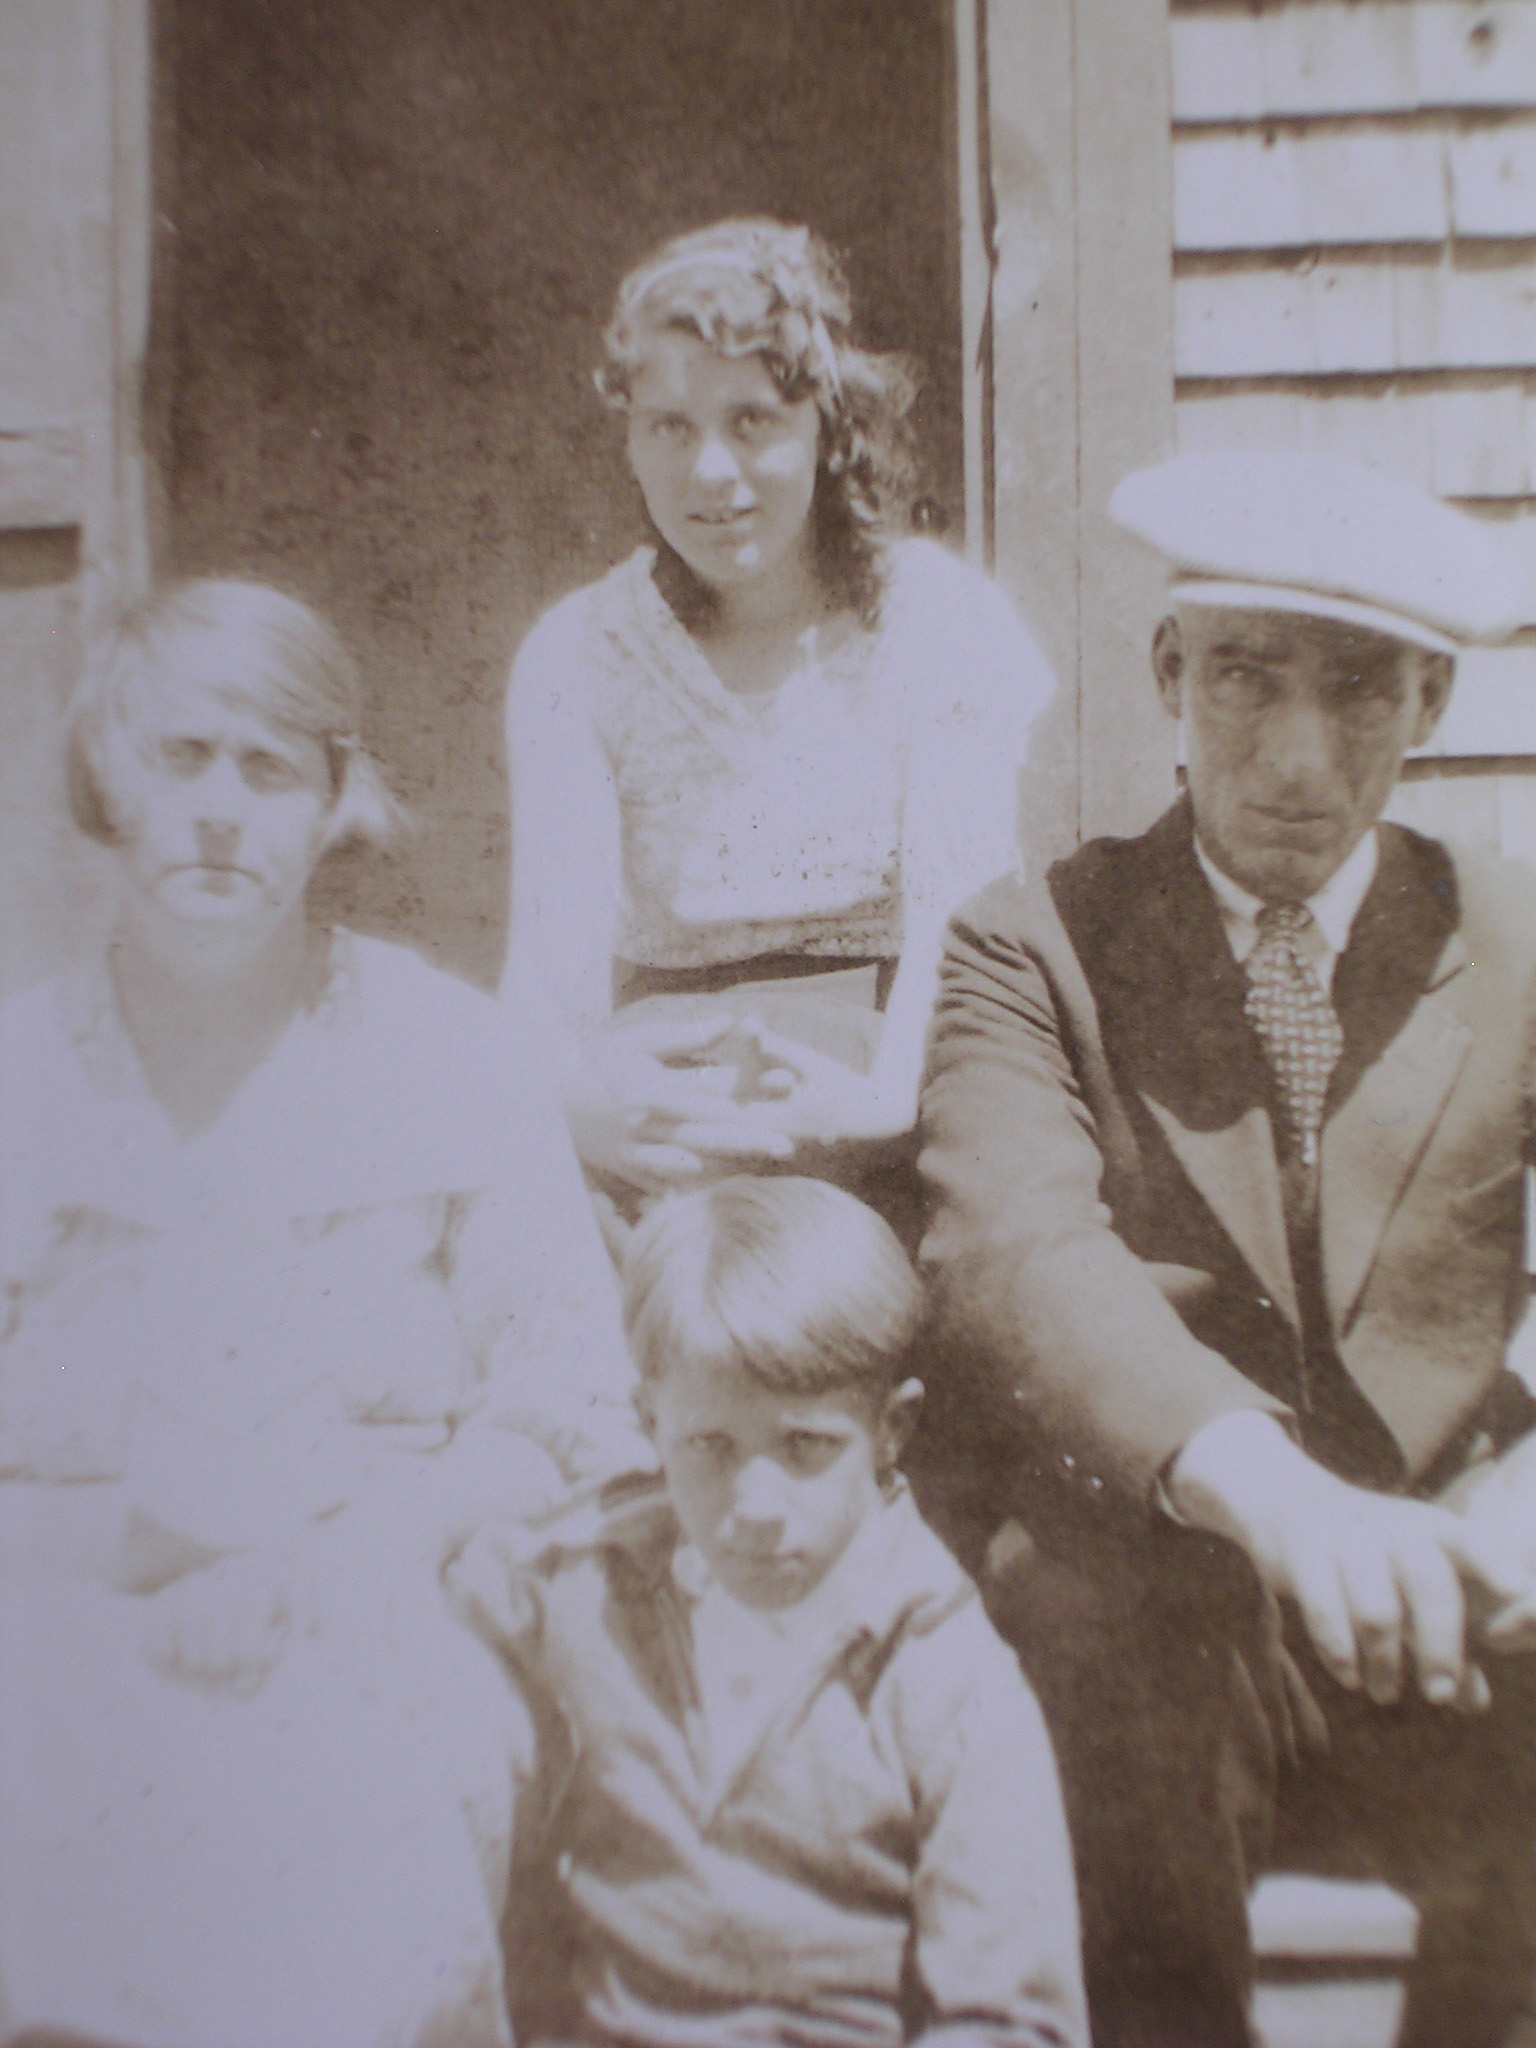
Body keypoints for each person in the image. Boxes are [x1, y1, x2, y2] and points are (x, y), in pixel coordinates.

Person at [914, 451, 1536, 2048]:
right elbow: (1019, 1256)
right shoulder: (1034, 939)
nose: (1299, 760)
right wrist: (1281, 1503)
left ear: (1435, 702)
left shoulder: (1518, 938)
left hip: (1461, 1584)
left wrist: (1527, 1500)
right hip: (1178, 1594)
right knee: (1103, 1618)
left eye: (1359, 692)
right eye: (1247, 680)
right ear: (1170, 675)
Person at [0, 580, 644, 2048]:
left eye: (271, 768)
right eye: (180, 760)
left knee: (341, 1801)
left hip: (379, 1599)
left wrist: (343, 1552)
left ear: (336, 800)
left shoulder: (452, 1056)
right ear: (107, 777)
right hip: (56, 1609)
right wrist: (150, 1543)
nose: (222, 809)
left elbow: (568, 1404)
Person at [502, 217, 1053, 1236]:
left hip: (896, 1090)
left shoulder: (937, 620)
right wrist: (589, 1108)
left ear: (824, 424)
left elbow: (957, 926)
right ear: (627, 436)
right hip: (663, 1117)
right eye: (669, 424)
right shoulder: (579, 653)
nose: (712, 470)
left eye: (752, 419)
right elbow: (545, 979)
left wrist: (878, 1107)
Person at [452, 1175, 1088, 2048]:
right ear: (650, 1422)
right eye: (710, 1446)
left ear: (892, 1431)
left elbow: (1012, 2025)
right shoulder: (574, 1589)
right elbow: (435, 1647)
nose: (753, 1503)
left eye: (805, 1447)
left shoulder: (947, 1678)